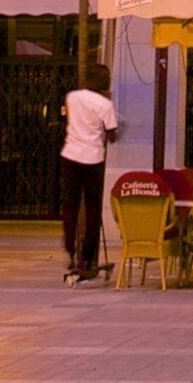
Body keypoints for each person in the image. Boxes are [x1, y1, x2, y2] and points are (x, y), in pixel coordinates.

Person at [61, 68, 121, 285]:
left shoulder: (72, 98)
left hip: (70, 155)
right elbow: (112, 134)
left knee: (71, 204)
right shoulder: (105, 105)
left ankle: (69, 247)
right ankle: (87, 257)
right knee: (93, 207)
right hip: (93, 158)